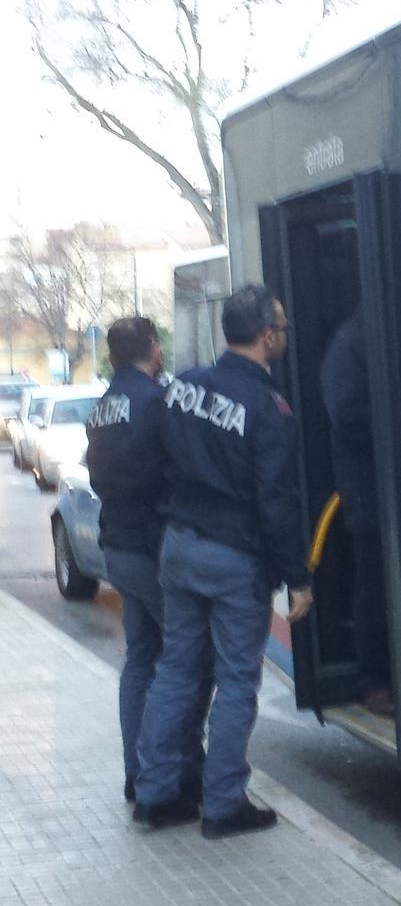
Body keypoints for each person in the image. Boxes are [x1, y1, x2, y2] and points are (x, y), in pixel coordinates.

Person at [133, 284, 313, 838]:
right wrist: (298, 577)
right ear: (267, 336)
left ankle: (155, 795)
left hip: (179, 546)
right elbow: (277, 502)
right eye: (282, 327)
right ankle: (223, 805)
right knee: (236, 681)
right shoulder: (268, 408)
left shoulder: (183, 386)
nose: (284, 335)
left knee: (175, 669)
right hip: (234, 558)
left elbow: (154, 459)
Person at [85, 316, 209, 805]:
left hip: (118, 547)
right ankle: (178, 769)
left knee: (140, 659)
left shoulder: (102, 408)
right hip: (154, 550)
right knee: (186, 661)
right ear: (154, 348)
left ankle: (136, 772)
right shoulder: (156, 403)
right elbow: (180, 471)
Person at [319, 312, 392, 716]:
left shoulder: (375, 332)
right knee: (375, 586)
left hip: (388, 485)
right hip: (368, 488)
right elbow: (347, 416)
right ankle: (375, 679)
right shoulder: (349, 344)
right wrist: (396, 412)